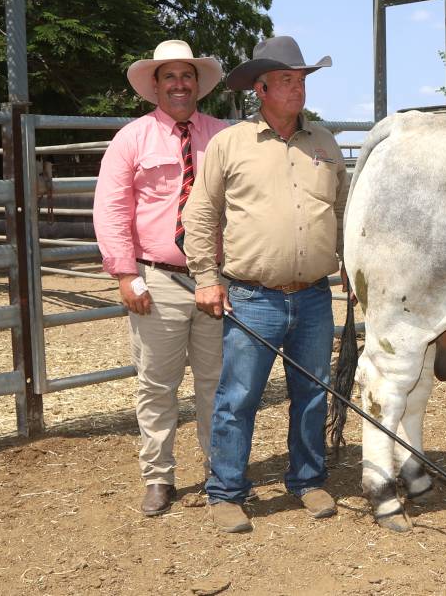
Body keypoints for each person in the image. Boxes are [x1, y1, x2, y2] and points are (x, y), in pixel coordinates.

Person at [182, 35, 349, 534]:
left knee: (313, 392)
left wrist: (354, 270)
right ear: (261, 88)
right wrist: (206, 278)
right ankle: (227, 491)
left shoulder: (323, 141)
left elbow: (341, 211)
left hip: (316, 294)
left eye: (300, 80)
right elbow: (201, 213)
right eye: (286, 81)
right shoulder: (230, 144)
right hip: (252, 295)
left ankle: (307, 479)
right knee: (239, 397)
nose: (297, 89)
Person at [93, 39, 228, 516]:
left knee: (217, 381)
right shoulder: (132, 138)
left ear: (198, 84)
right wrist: (125, 273)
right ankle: (158, 475)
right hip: (160, 277)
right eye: (169, 76)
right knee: (157, 383)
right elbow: (111, 208)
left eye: (186, 75)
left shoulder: (223, 136)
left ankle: (221, 472)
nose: (179, 84)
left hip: (214, 277)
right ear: (155, 85)